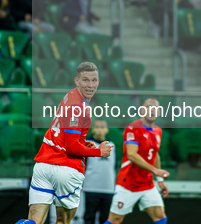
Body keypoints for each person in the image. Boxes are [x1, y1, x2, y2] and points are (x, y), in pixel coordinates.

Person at [17, 62, 113, 224]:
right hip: (66, 168)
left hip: (43, 165)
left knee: (35, 220)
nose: (90, 85)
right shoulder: (79, 108)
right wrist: (99, 152)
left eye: (94, 80)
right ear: (77, 81)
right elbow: (71, 147)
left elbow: (68, 134)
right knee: (63, 221)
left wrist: (83, 142)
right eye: (85, 80)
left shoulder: (70, 95)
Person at [106, 98, 169, 224]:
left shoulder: (158, 131)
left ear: (159, 112)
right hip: (128, 183)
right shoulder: (133, 128)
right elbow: (132, 155)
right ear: (141, 110)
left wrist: (160, 181)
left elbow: (155, 155)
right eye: (148, 107)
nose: (151, 110)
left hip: (147, 184)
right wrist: (155, 170)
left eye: (155, 108)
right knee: (115, 220)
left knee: (160, 216)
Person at [81, 119, 116, 224]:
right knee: (89, 217)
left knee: (105, 218)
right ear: (92, 129)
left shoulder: (112, 146)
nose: (100, 130)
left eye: (102, 127)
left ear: (107, 130)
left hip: (108, 189)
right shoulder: (87, 145)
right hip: (91, 188)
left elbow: (114, 167)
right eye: (97, 127)